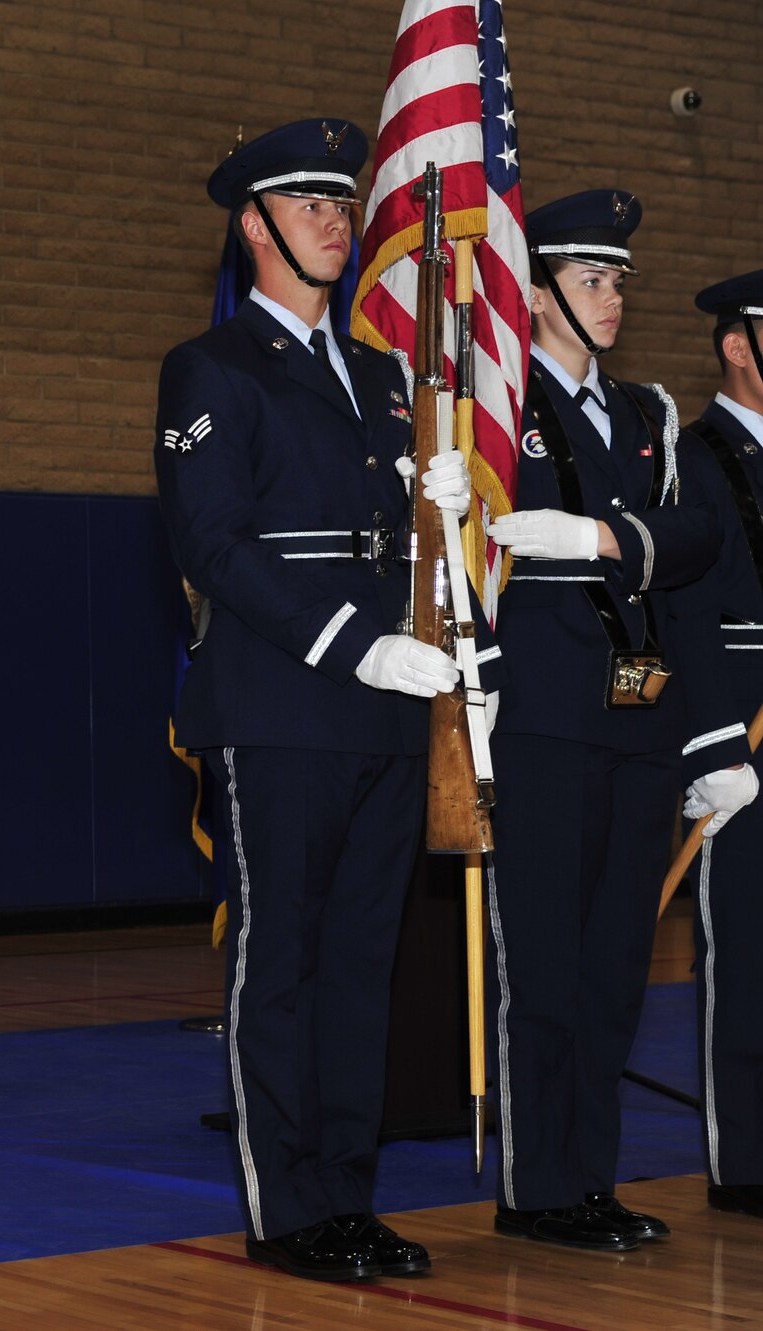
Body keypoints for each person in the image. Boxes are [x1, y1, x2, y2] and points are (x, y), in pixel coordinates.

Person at [155, 119, 484, 1282]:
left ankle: (346, 1194)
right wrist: (355, 643)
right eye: (304, 203)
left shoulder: (383, 374)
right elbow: (214, 545)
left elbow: (387, 541)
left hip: (386, 711)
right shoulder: (212, 367)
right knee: (280, 962)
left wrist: (434, 512)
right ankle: (284, 1206)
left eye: (339, 203)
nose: (332, 221)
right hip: (281, 707)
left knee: (359, 967)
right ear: (251, 224)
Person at [479, 193, 743, 1248]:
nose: (611, 298)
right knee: (541, 965)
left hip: (637, 723)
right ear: (536, 293)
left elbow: (690, 559)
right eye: (589, 280)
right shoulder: (493, 411)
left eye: (618, 280)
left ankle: (587, 1176)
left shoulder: (645, 416)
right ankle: (534, 1184)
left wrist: (709, 733)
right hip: (538, 715)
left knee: (612, 966)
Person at [659, 269, 763, 1219]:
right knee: (748, 945)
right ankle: (749, 1163)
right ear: (741, 346)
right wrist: (717, 745)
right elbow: (686, 609)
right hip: (745, 721)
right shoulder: (693, 456)